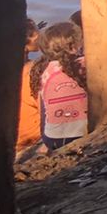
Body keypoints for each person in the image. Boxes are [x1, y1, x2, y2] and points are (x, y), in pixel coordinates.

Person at [31, 21, 88, 152]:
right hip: (82, 132)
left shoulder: (43, 72)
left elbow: (43, 110)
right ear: (74, 47)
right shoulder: (83, 65)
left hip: (52, 138)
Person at [15, 18, 43, 160]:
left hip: (15, 138)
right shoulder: (32, 71)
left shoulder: (6, 72)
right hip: (32, 136)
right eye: (37, 31)